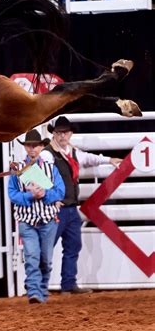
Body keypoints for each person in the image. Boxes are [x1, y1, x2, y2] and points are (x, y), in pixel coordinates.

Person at [40, 116, 123, 294]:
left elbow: (89, 158)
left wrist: (109, 160)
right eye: (59, 132)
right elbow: (40, 174)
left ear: (70, 134)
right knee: (47, 248)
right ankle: (37, 286)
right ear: (54, 134)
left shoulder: (72, 152)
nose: (63, 136)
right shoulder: (47, 154)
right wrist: (51, 197)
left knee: (72, 246)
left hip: (70, 208)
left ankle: (68, 284)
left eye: (66, 132)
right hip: (55, 208)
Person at [8, 129, 65, 304]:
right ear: (26, 148)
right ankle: (34, 290)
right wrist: (31, 196)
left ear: (41, 147)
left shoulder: (51, 168)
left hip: (47, 219)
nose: (32, 149)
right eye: (29, 146)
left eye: (35, 146)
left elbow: (60, 192)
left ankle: (41, 289)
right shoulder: (17, 170)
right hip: (28, 220)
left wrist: (44, 194)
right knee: (33, 256)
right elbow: (12, 194)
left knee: (45, 259)